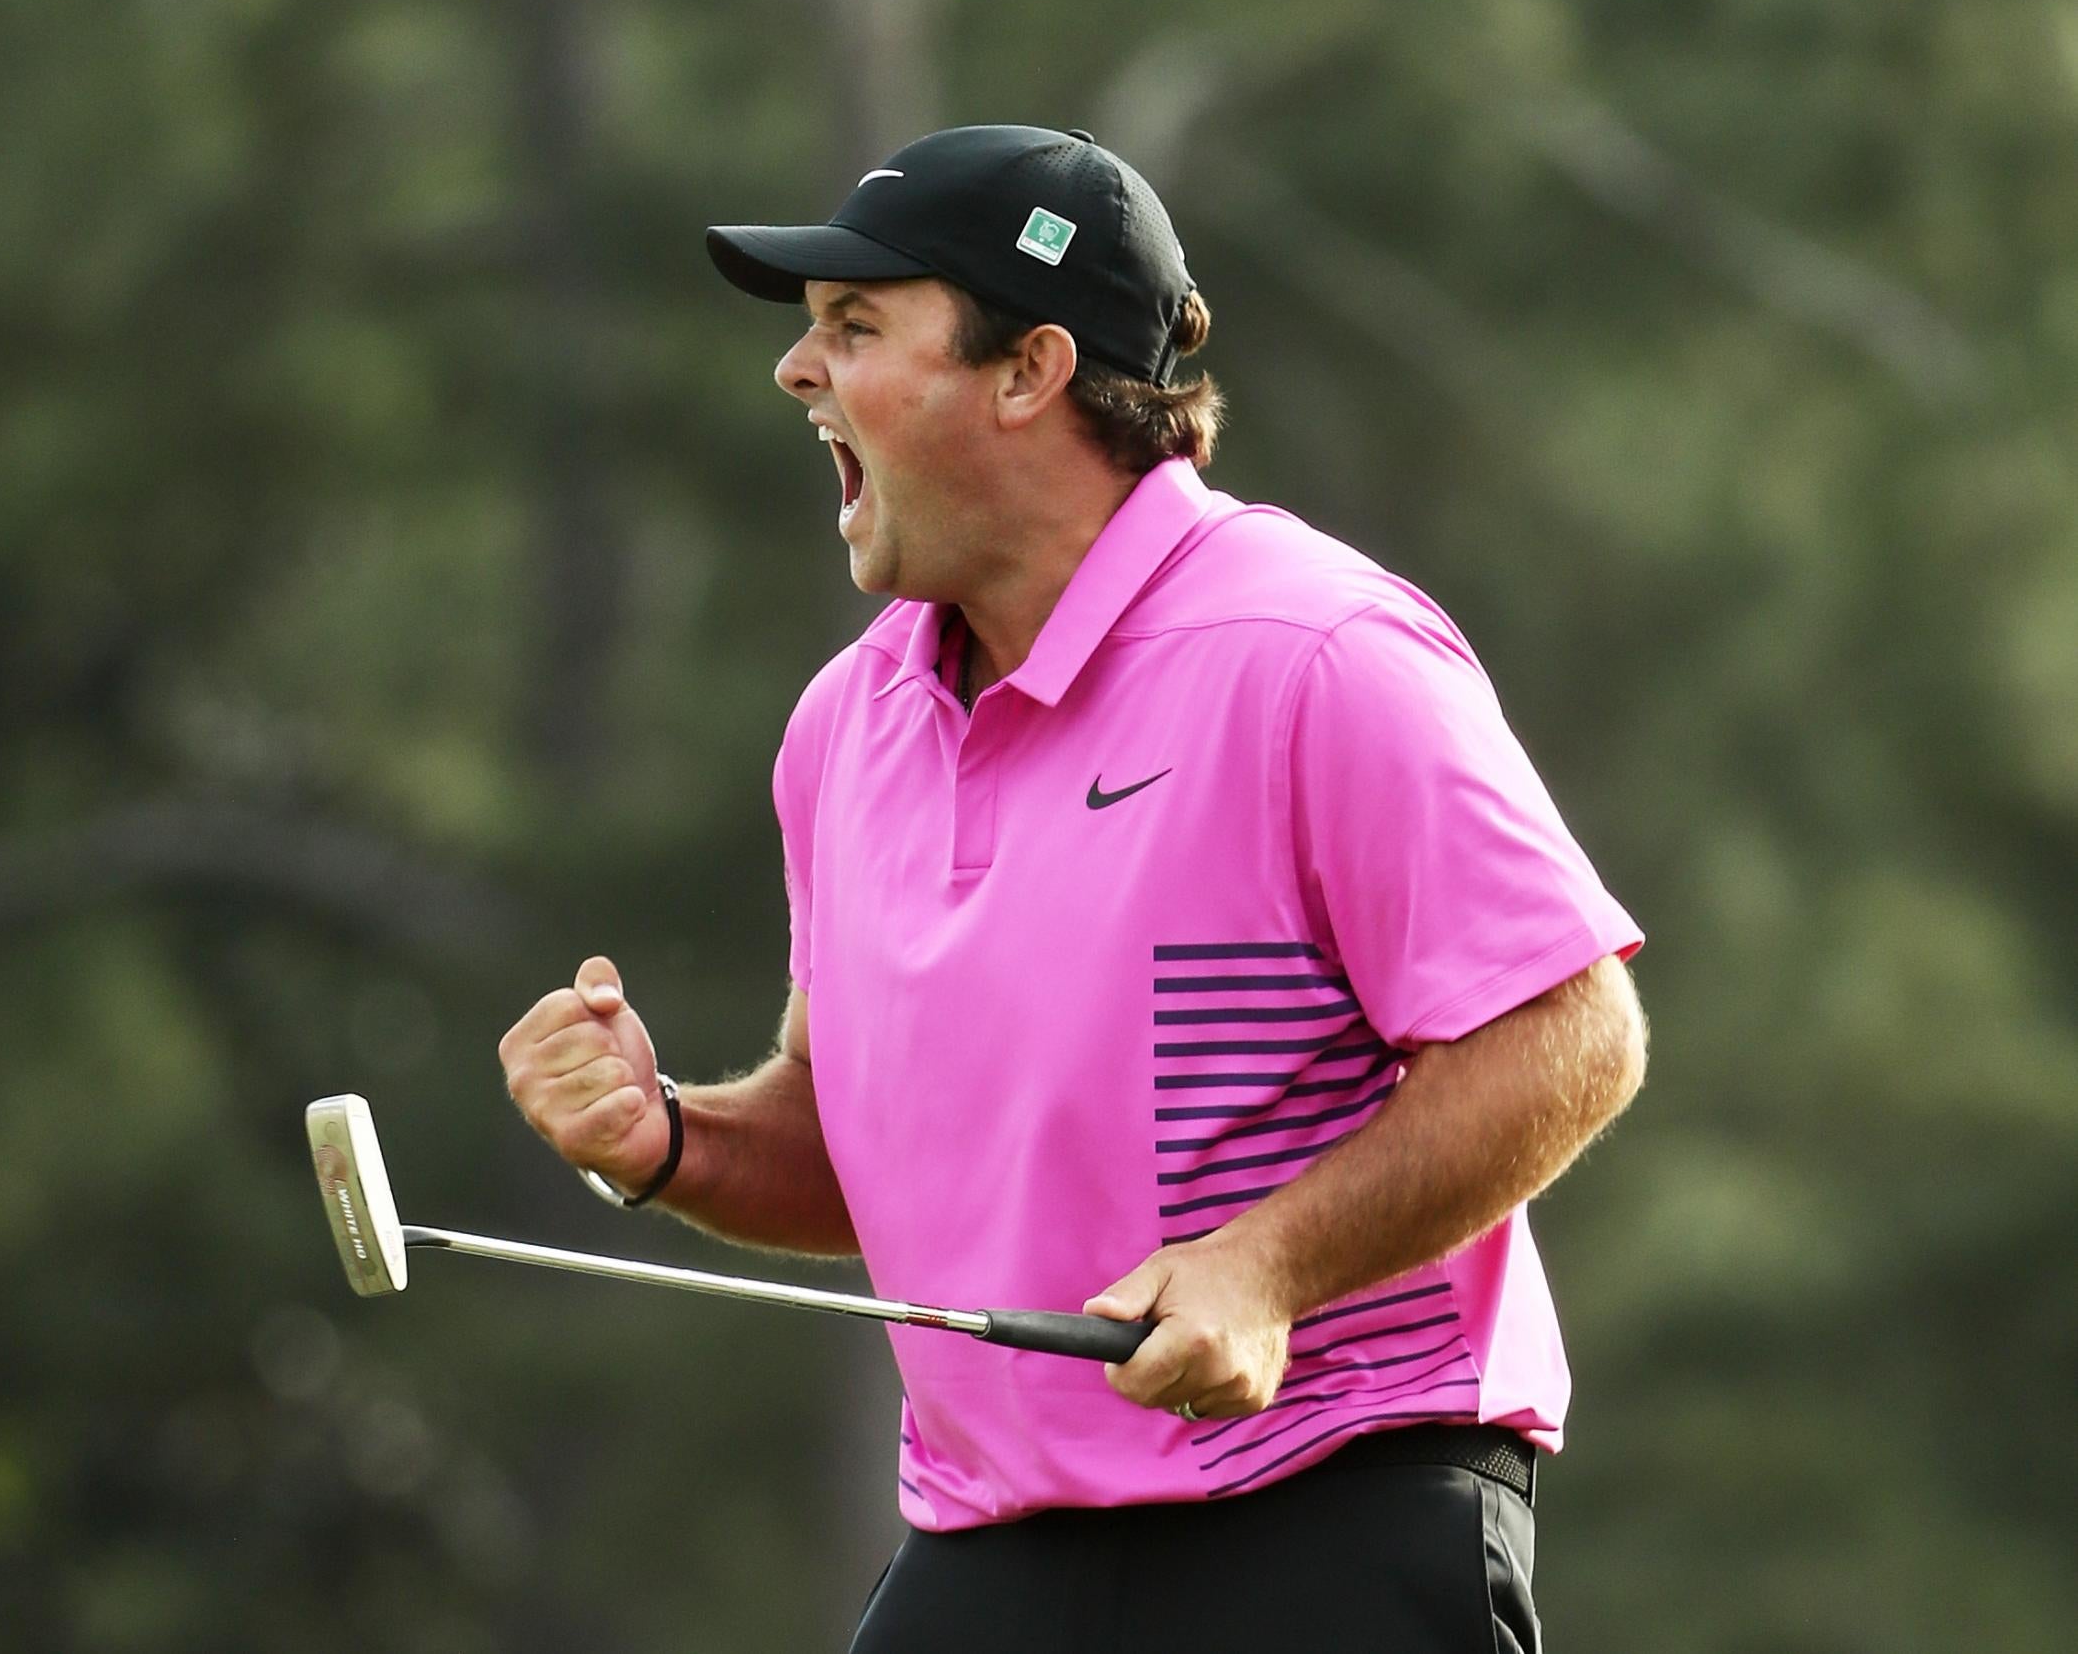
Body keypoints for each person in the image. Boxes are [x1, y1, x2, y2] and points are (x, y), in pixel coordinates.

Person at [497, 124, 1648, 1652]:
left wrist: (1266, 1269)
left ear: (1030, 370)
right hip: (993, 1552)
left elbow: (1570, 1035)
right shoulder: (848, 725)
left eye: (855, 329)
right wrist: (667, 1141)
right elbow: (860, 1150)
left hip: (1327, 1511)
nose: (797, 374)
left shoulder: (1315, 656)